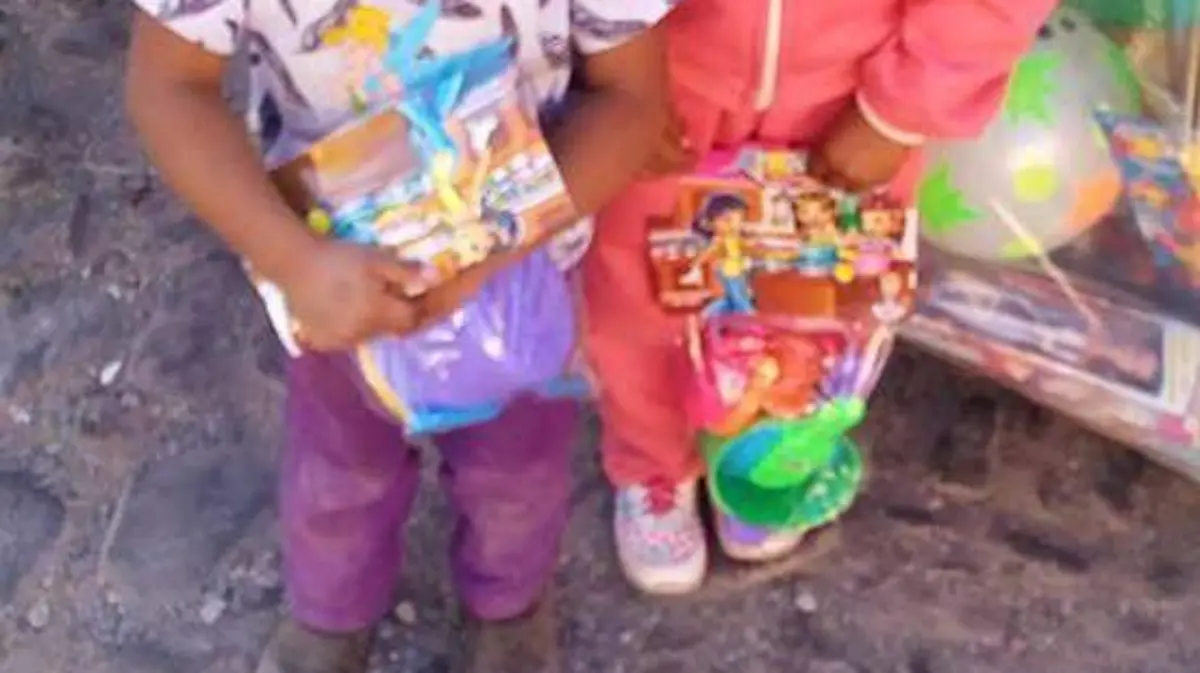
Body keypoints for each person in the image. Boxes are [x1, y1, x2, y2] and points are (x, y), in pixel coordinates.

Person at [124, 1, 675, 671]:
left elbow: (632, 98)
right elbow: (169, 83)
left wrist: (483, 251)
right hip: (332, 276)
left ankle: (511, 604)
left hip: (522, 273)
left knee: (516, 472)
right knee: (341, 465)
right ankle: (332, 611)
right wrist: (294, 259)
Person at [583, 0, 1058, 595]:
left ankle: (764, 452)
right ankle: (654, 467)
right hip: (665, 83)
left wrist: (899, 113)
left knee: (820, 303)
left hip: (855, 97)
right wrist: (617, 71)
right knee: (639, 298)